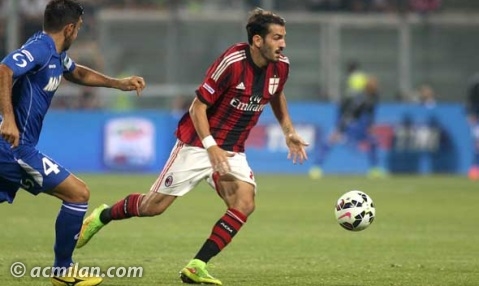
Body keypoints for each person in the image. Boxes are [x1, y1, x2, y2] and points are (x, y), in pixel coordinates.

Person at [76, 8, 308, 285]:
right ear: (258, 40)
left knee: (244, 203)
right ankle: (102, 215)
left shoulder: (282, 66)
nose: (283, 44)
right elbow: (197, 107)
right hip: (198, 143)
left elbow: (276, 93)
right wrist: (210, 146)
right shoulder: (232, 62)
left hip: (232, 150)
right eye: (277, 38)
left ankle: (197, 265)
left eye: (283, 38)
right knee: (153, 207)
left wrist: (288, 131)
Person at [0, 1, 146, 286]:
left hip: (14, 148)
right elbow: (5, 69)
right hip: (14, 147)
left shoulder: (55, 53)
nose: (78, 33)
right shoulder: (41, 48)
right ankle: (63, 271)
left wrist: (119, 83)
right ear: (68, 28)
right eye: (78, 29)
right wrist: (8, 120)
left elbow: (76, 72)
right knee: (78, 194)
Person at [309, 76, 385, 179]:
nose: (375, 87)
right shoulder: (360, 99)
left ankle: (374, 169)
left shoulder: (374, 98)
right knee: (329, 142)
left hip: (361, 128)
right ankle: (316, 168)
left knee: (373, 142)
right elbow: (349, 114)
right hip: (351, 127)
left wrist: (370, 126)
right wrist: (340, 128)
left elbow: (369, 115)